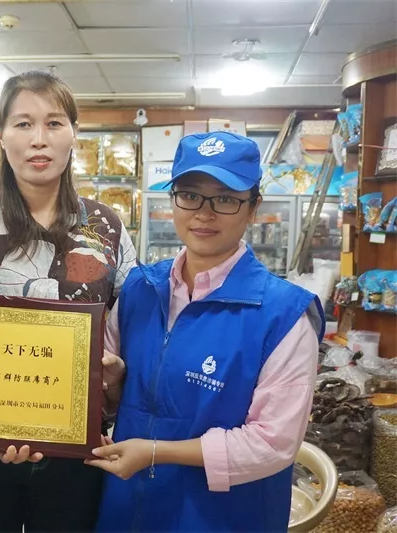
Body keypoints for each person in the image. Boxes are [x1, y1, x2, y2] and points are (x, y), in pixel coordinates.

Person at [0, 70, 137, 532]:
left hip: (78, 451)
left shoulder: (106, 226)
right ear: (1, 135)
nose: (38, 139)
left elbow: (128, 325)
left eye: (54, 123)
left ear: (74, 134)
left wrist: (117, 373)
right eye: (23, 124)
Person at [87, 131, 325, 532]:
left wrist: (157, 453)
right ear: (173, 200)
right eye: (190, 195)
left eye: (225, 198)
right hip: (127, 509)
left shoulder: (283, 315)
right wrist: (111, 384)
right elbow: (108, 400)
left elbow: (273, 443)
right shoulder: (139, 290)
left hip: (223, 517)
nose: (204, 213)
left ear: (253, 208)